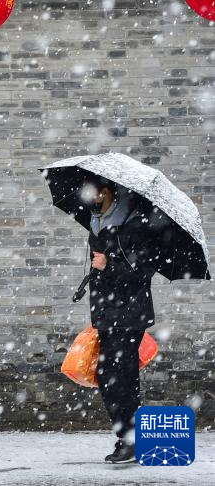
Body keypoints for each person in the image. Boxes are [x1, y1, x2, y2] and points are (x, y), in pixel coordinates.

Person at [84, 178, 157, 464]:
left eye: (92, 191)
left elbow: (144, 270)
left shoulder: (134, 223)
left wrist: (109, 265)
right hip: (107, 313)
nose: (88, 196)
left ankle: (130, 439)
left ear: (105, 192)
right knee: (113, 375)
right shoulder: (97, 222)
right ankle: (129, 438)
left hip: (129, 314)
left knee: (118, 376)